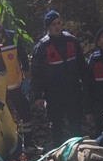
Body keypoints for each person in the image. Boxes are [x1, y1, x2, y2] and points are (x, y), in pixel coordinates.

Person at [29, 9, 89, 145]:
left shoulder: (72, 41)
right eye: (53, 24)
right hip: (54, 93)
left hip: (73, 90)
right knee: (56, 124)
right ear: (48, 27)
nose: (57, 26)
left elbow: (82, 65)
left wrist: (86, 86)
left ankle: (78, 149)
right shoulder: (42, 47)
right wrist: (38, 95)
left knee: (76, 122)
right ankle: (58, 150)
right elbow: (36, 73)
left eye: (59, 23)